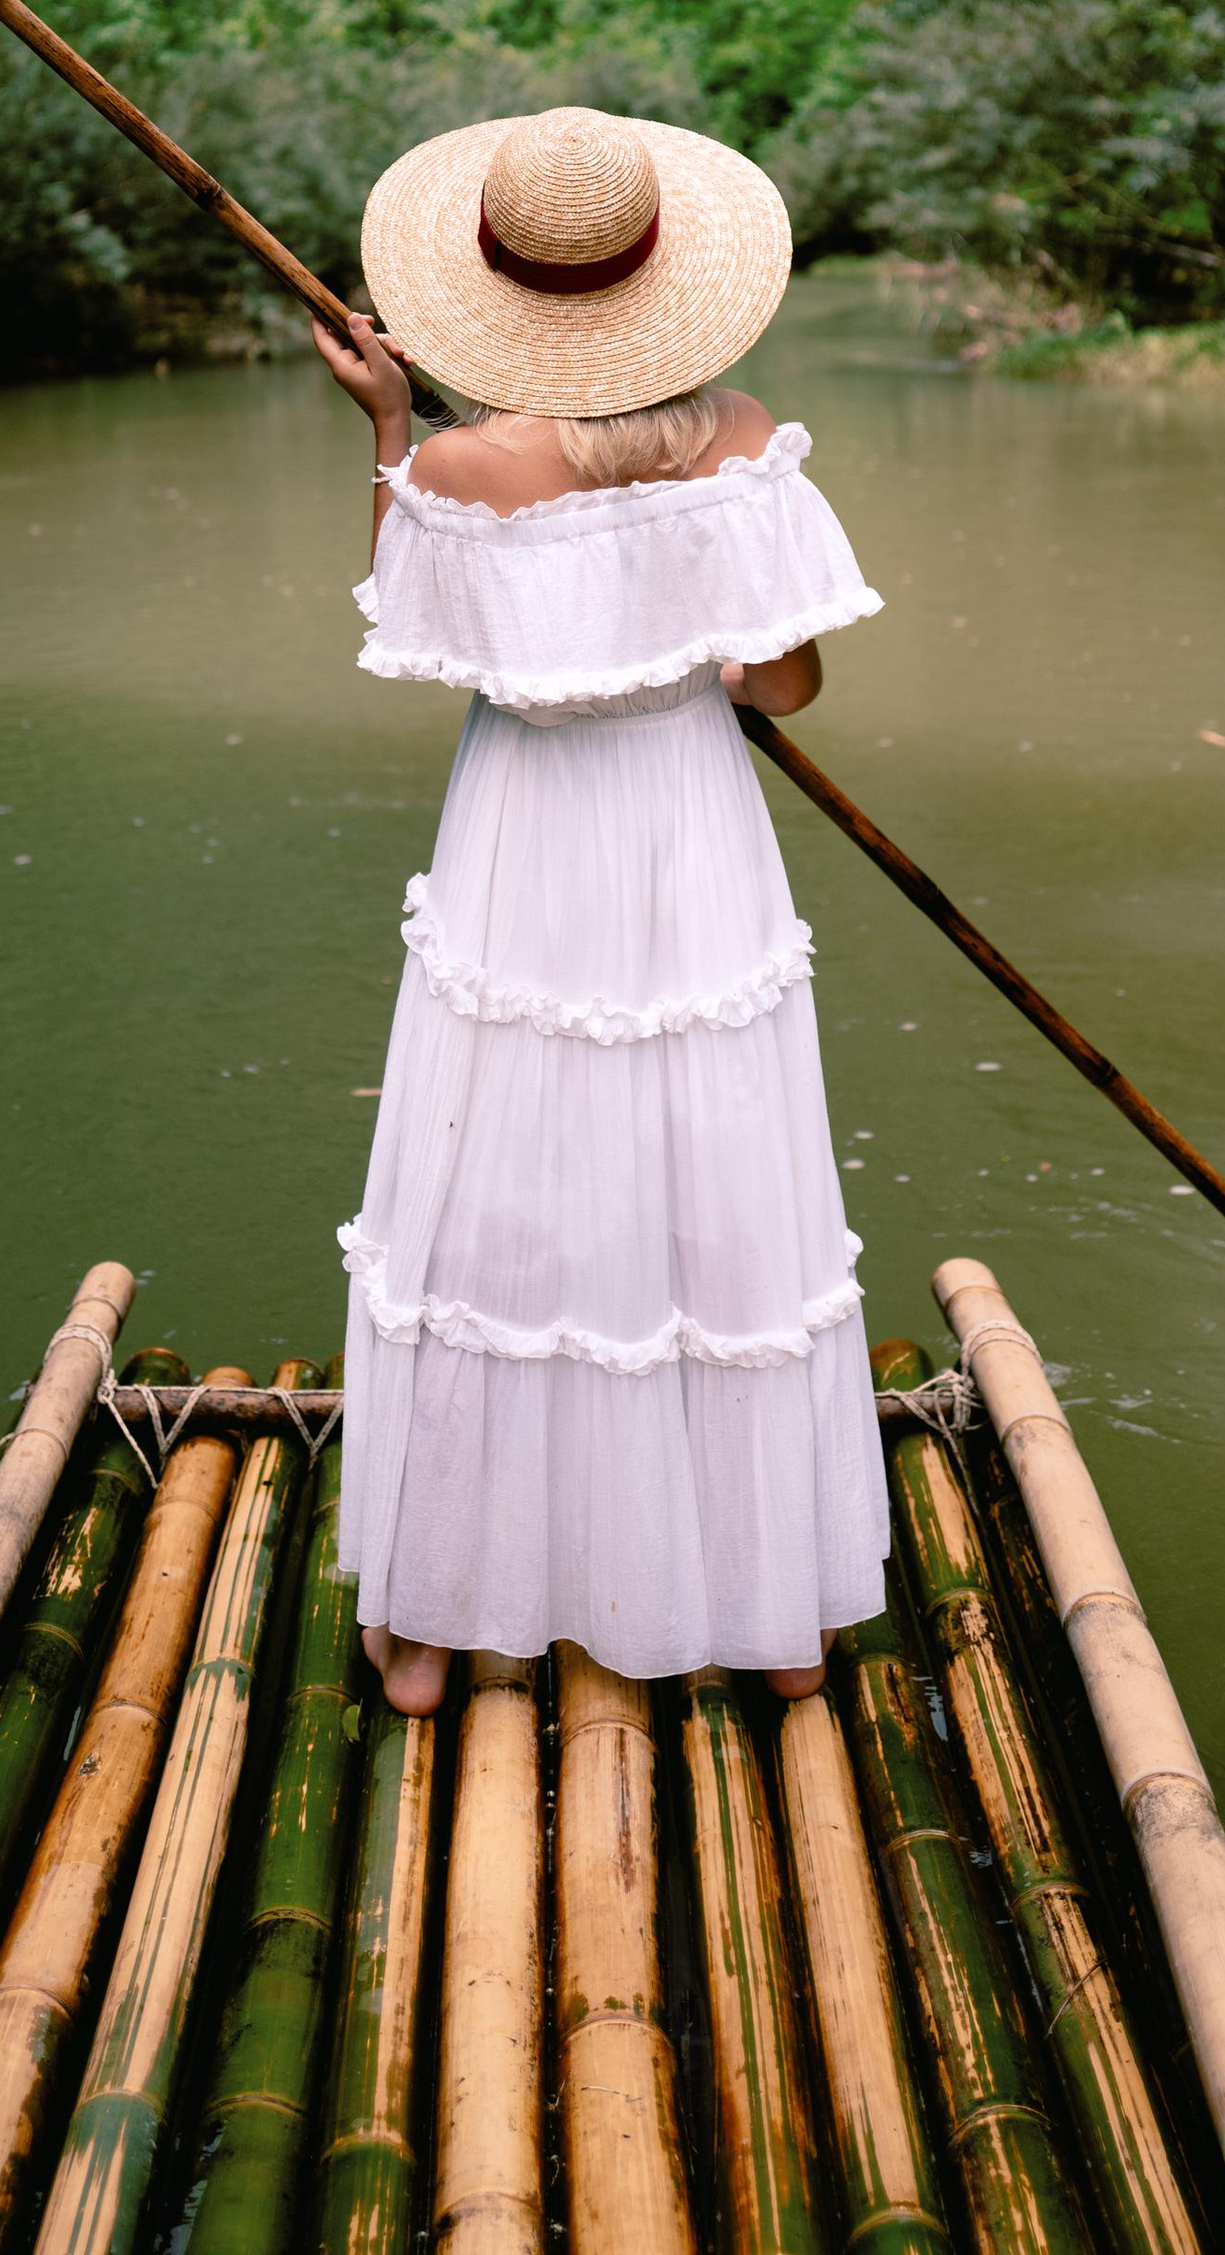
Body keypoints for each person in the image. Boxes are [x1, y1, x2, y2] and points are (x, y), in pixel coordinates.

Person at [310, 100, 889, 1715]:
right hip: (688, 826)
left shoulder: (453, 466)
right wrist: (687, 607)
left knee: (494, 1172)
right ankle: (769, 1618)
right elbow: (785, 682)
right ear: (662, 285)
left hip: (526, 837)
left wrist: (384, 436)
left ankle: (431, 1627)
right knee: (716, 1169)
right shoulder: (745, 442)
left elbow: (432, 639)